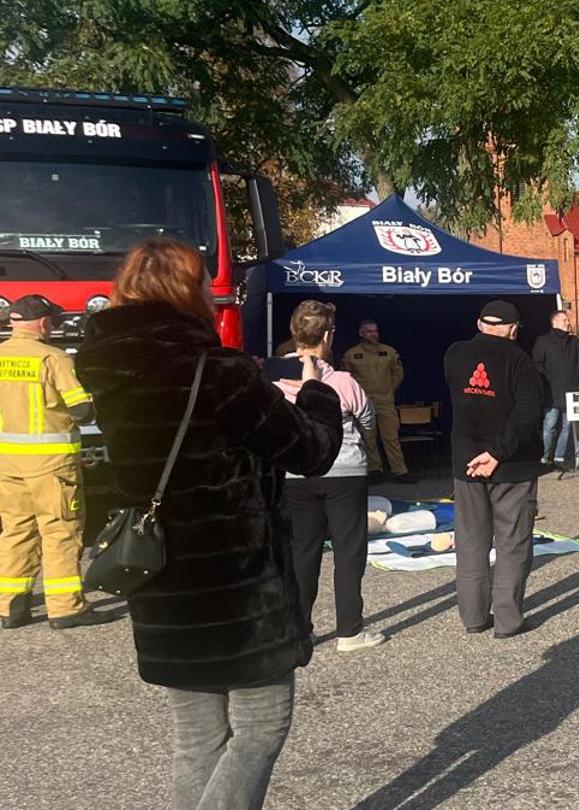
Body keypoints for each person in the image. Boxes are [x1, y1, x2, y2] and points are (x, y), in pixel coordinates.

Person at [75, 238, 342, 810]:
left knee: (198, 736)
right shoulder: (217, 369)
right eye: (202, 283)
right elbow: (308, 450)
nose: (209, 292)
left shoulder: (105, 370)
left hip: (163, 581)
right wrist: (318, 390)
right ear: (185, 292)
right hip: (237, 585)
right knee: (262, 725)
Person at [275, 300, 385, 652]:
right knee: (348, 550)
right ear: (327, 337)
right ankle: (350, 631)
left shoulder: (274, 379)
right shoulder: (343, 380)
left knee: (302, 552)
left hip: (295, 474)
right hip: (345, 472)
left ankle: (300, 629)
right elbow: (368, 419)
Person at [0, 295, 116, 630]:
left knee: (16, 529)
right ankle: (66, 608)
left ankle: (10, 607)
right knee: (60, 531)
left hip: (7, 464)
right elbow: (81, 410)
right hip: (50, 465)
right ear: (42, 322)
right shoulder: (54, 359)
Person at [443, 300, 544, 637]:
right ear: (514, 329)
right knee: (512, 543)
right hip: (511, 467)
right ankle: (508, 620)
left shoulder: (455, 354)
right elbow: (527, 416)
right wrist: (498, 453)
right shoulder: (521, 362)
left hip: (466, 463)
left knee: (471, 542)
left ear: (479, 323)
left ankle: (473, 617)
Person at [342, 318, 412, 483]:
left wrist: (388, 391)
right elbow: (347, 377)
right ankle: (374, 470)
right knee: (368, 438)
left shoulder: (389, 352)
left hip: (385, 401)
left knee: (391, 437)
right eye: (369, 331)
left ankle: (400, 471)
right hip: (364, 403)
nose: (373, 334)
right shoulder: (351, 355)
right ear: (361, 333)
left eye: (375, 331)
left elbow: (398, 374)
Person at [531, 309, 579, 471]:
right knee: (550, 426)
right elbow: (536, 363)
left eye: (567, 320)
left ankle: (559, 457)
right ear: (555, 322)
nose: (568, 323)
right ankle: (545, 457)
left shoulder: (573, 341)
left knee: (567, 427)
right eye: (564, 320)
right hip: (552, 392)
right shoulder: (543, 341)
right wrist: (547, 377)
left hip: (571, 392)